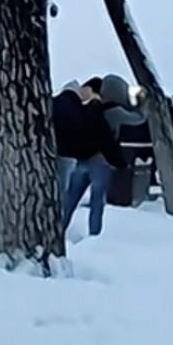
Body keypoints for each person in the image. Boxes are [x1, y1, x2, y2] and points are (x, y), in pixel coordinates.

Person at [60, 82, 123, 236]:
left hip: (81, 160)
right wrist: (118, 162)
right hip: (100, 160)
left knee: (71, 198)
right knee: (97, 200)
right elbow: (107, 140)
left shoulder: (81, 112)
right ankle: (94, 236)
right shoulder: (111, 111)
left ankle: (59, 229)